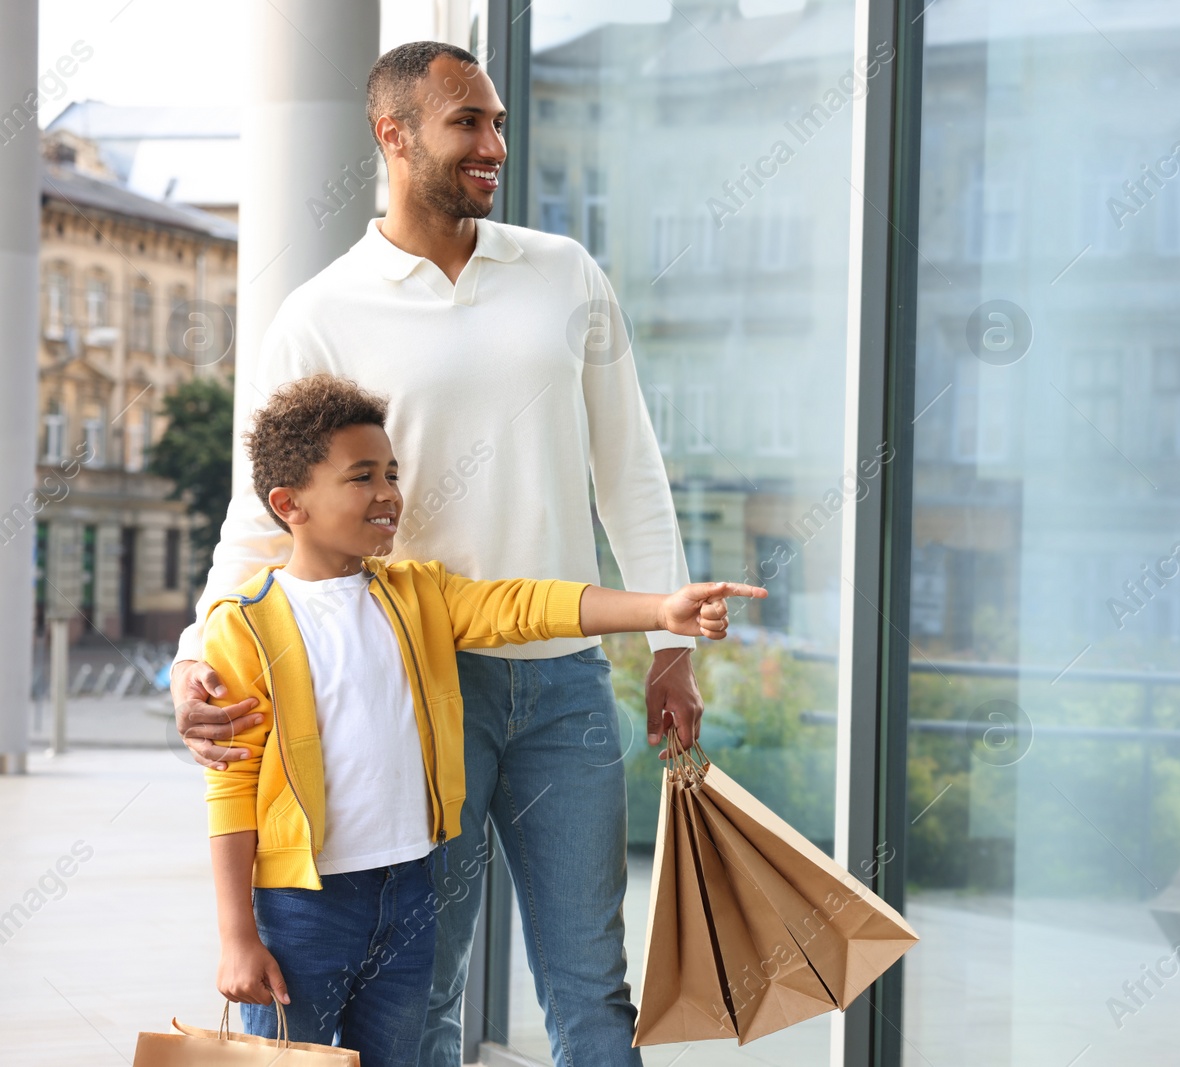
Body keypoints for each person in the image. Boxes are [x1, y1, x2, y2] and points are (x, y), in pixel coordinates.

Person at [174, 40, 707, 1067]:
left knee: (593, 986)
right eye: (469, 122)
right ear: (394, 133)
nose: (493, 144)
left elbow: (630, 472)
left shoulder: (563, 275)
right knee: (426, 997)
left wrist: (671, 648)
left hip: (564, 688)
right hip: (415, 700)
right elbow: (261, 516)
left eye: (498, 122)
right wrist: (195, 655)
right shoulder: (321, 312)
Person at [209, 375, 763, 1066]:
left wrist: (658, 611)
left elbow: (524, 606)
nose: (388, 493)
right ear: (289, 504)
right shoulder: (245, 625)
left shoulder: (416, 595)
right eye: (361, 477)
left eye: (392, 473)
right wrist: (238, 934)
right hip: (303, 907)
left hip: (410, 893)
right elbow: (230, 790)